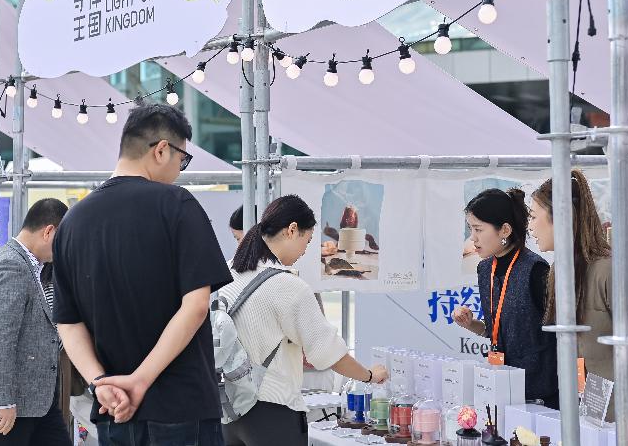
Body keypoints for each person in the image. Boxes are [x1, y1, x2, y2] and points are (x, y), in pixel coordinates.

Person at [52, 104, 233, 445]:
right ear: (161, 150)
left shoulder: (71, 223)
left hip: (113, 410)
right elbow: (196, 306)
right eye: (182, 159)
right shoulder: (177, 205)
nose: (180, 170)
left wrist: (99, 382)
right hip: (181, 405)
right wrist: (140, 380)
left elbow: (68, 323)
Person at [220, 194, 389, 446]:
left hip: (229, 411)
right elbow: (329, 354)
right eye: (307, 241)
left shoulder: (227, 272)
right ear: (292, 230)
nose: (304, 252)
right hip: (273, 412)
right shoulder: (287, 285)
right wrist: (369, 375)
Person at [529, 170, 628, 443]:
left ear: (560, 218)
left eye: (533, 216)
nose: (530, 227)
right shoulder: (559, 272)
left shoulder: (609, 270)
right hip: (592, 413)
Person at [0, 198, 73, 445]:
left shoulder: (32, 265)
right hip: (10, 404)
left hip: (37, 401)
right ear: (49, 232)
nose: (63, 251)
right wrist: (4, 401)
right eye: (63, 241)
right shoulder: (12, 266)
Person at [452, 188, 559, 409]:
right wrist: (470, 324)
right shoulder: (485, 269)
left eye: (478, 229)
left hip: (539, 395)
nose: (473, 238)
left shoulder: (535, 270)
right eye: (471, 229)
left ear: (505, 230)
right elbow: (496, 331)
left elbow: (556, 334)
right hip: (499, 387)